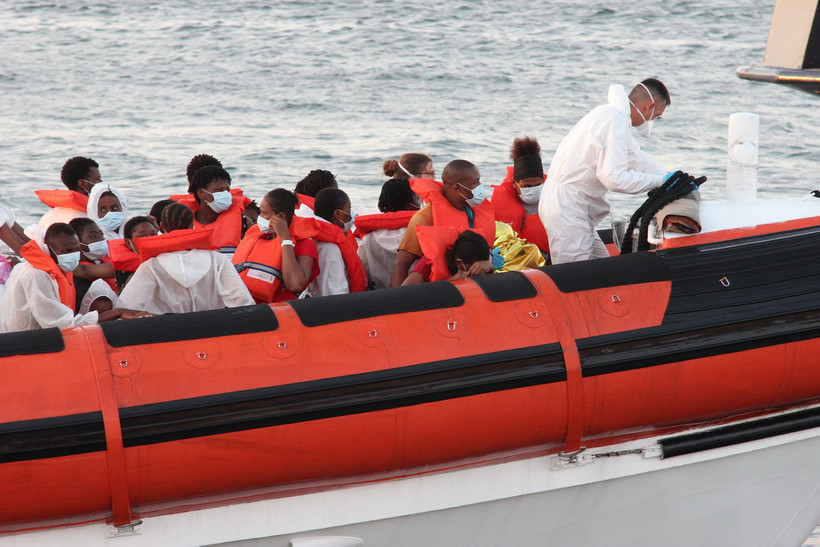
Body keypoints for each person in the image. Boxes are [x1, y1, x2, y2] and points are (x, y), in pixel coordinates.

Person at [539, 78, 678, 264]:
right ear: (649, 107)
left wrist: (669, 178)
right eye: (656, 115)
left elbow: (635, 156)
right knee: (575, 277)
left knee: (601, 266)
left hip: (575, 209)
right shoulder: (614, 122)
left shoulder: (610, 115)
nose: (653, 120)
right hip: (568, 209)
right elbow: (614, 178)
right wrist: (660, 182)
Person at [0, 223, 149, 332]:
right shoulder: (37, 274)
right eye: (66, 251)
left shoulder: (56, 269)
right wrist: (117, 313)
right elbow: (60, 324)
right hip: (23, 342)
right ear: (49, 249)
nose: (73, 255)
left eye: (76, 250)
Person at [117, 203, 254, 314]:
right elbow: (242, 301)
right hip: (212, 326)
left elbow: (128, 306)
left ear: (162, 228)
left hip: (170, 331)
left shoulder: (151, 266)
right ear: (192, 226)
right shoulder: (217, 259)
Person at [390, 160, 495, 287]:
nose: (480, 186)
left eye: (479, 181)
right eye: (475, 182)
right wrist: (396, 299)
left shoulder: (476, 210)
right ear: (457, 187)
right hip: (437, 289)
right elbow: (402, 263)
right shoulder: (425, 217)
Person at [233, 189, 319, 303]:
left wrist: (285, 240)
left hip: (277, 312)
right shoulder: (255, 235)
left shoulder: (305, 245)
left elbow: (296, 285)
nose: (260, 217)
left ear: (281, 217)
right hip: (242, 305)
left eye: (263, 213)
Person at [355, 178, 420, 290]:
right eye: (418, 199)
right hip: (417, 293)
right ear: (409, 206)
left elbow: (361, 272)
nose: (421, 203)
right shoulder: (420, 234)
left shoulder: (369, 239)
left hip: (381, 297)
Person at [173, 165, 251, 257]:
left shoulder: (243, 222)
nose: (225, 194)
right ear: (201, 193)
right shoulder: (180, 222)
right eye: (219, 191)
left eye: (227, 190)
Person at [491, 137, 550, 256]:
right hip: (510, 258)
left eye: (538, 184)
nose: (533, 189)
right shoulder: (501, 200)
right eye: (527, 186)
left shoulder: (554, 199)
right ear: (514, 183)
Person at [303, 188, 367, 297]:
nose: (351, 215)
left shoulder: (316, 238)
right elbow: (333, 293)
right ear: (337, 213)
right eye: (348, 209)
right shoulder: (329, 248)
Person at [403, 229, 493, 284]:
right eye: (473, 269)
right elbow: (404, 292)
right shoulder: (428, 262)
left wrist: (491, 271)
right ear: (459, 262)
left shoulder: (482, 261)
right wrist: (449, 282)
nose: (476, 272)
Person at [37, 156, 101, 229]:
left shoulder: (48, 216)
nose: (101, 182)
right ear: (82, 184)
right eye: (98, 179)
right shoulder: (92, 220)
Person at [69, 217, 116, 310]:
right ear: (77, 243)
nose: (101, 239)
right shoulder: (79, 279)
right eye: (93, 236)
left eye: (101, 234)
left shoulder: (101, 264)